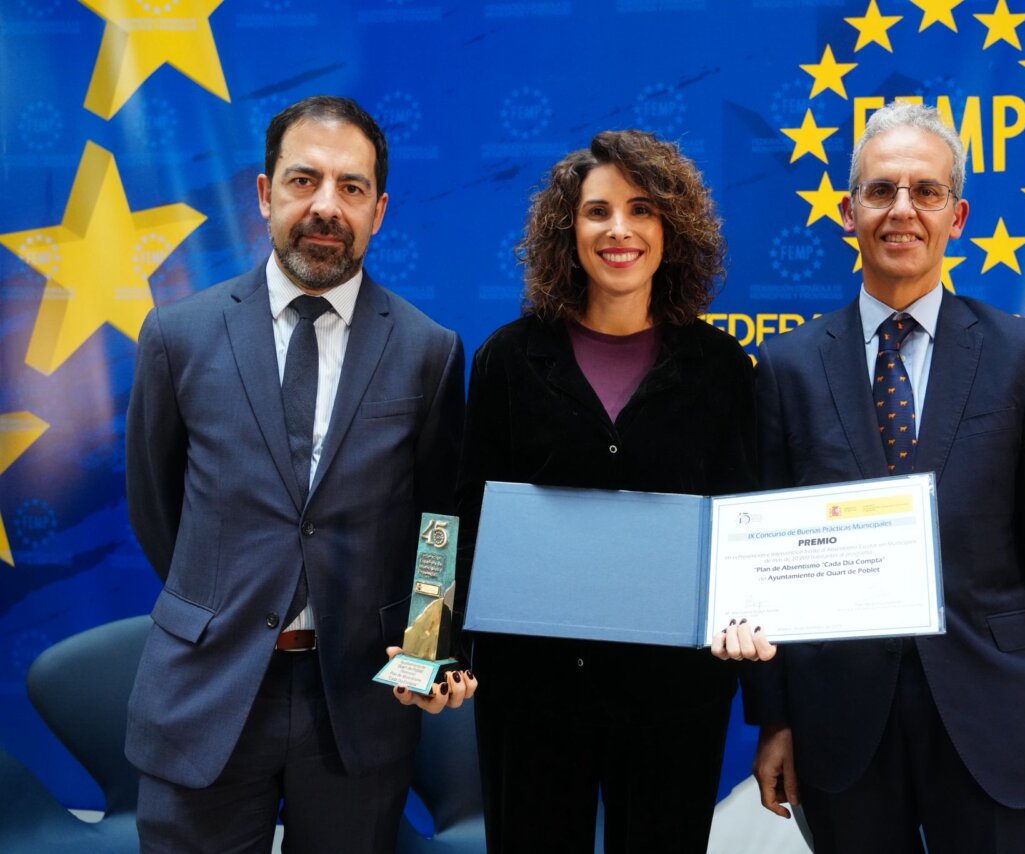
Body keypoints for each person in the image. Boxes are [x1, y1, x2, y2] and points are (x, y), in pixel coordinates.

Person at [735, 102, 1025, 853]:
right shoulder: (786, 367)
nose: (902, 210)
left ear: (956, 216)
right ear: (848, 212)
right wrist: (775, 719)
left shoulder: (1023, 356)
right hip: (841, 725)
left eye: (926, 191)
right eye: (881, 190)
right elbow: (761, 572)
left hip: (995, 717)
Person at [125, 95, 476, 853]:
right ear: (265, 194)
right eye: (303, 180)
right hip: (207, 691)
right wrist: (222, 600)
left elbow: (439, 522)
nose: (326, 206)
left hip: (355, 705)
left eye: (351, 187)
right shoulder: (178, 335)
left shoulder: (430, 350)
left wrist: (430, 649)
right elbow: (156, 506)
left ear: (379, 210)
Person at [455, 129, 757, 852]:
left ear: (672, 229)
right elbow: (460, 521)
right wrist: (431, 649)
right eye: (598, 211)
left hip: (675, 702)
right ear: (568, 230)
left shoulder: (721, 368)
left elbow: (744, 528)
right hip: (531, 698)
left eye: (641, 209)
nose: (619, 229)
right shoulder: (507, 360)